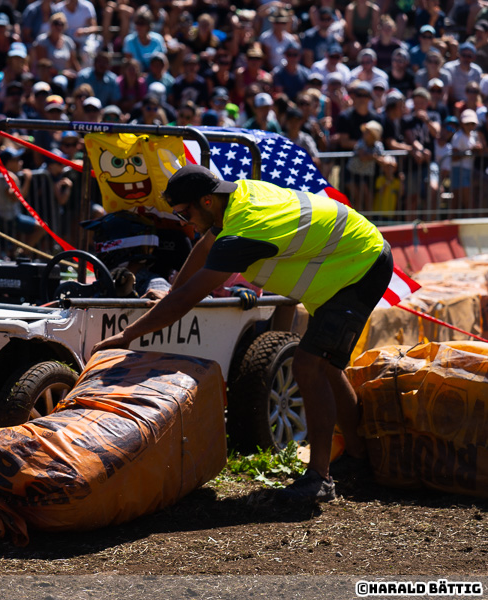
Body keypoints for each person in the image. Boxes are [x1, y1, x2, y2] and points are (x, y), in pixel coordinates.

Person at [92, 164, 393, 502]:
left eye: (186, 213)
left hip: (361, 264)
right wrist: (170, 290)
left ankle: (319, 479)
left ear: (207, 201)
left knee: (309, 365)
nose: (185, 222)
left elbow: (186, 300)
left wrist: (127, 336)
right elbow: (203, 250)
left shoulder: (243, 230)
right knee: (325, 366)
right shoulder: (233, 199)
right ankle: (359, 458)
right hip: (348, 260)